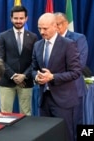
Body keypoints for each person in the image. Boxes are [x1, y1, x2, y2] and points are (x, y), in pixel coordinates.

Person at [31, 13, 81, 141]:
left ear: (55, 26)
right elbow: (33, 69)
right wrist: (36, 77)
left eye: (45, 28)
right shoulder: (37, 45)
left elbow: (75, 72)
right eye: (39, 28)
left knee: (65, 135)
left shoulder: (68, 44)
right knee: (46, 136)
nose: (42, 32)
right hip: (44, 99)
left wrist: (52, 77)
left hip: (63, 100)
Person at [0, 6, 38, 115]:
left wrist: (24, 75)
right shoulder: (3, 36)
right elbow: (0, 60)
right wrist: (13, 75)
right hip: (6, 81)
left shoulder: (33, 37)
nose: (18, 21)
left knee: (26, 114)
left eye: (21, 18)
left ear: (26, 18)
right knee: (5, 114)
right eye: (16, 18)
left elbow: (35, 61)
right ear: (11, 19)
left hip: (26, 82)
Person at [54, 12, 88, 141]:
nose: (55, 27)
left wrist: (55, 74)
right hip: (54, 91)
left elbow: (80, 65)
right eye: (53, 24)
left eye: (57, 24)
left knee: (74, 126)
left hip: (73, 90)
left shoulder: (78, 38)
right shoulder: (49, 40)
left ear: (66, 24)